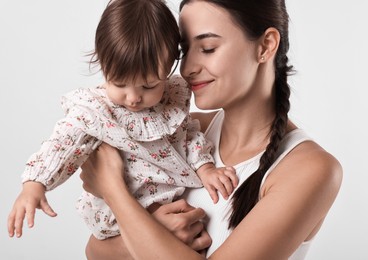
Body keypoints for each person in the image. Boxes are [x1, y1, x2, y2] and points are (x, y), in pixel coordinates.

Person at [81, 0, 343, 259]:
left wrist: (112, 188)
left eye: (207, 48)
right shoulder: (183, 133)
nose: (187, 69)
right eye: (184, 50)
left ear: (265, 46)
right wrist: (153, 233)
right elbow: (95, 251)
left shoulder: (310, 169)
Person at [7, 0, 238, 241]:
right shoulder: (95, 110)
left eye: (149, 85)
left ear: (170, 66)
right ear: (103, 65)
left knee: (197, 233)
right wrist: (34, 185)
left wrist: (206, 168)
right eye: (119, 83)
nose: (134, 97)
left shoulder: (172, 99)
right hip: (116, 212)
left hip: (168, 197)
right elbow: (61, 144)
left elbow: (188, 136)